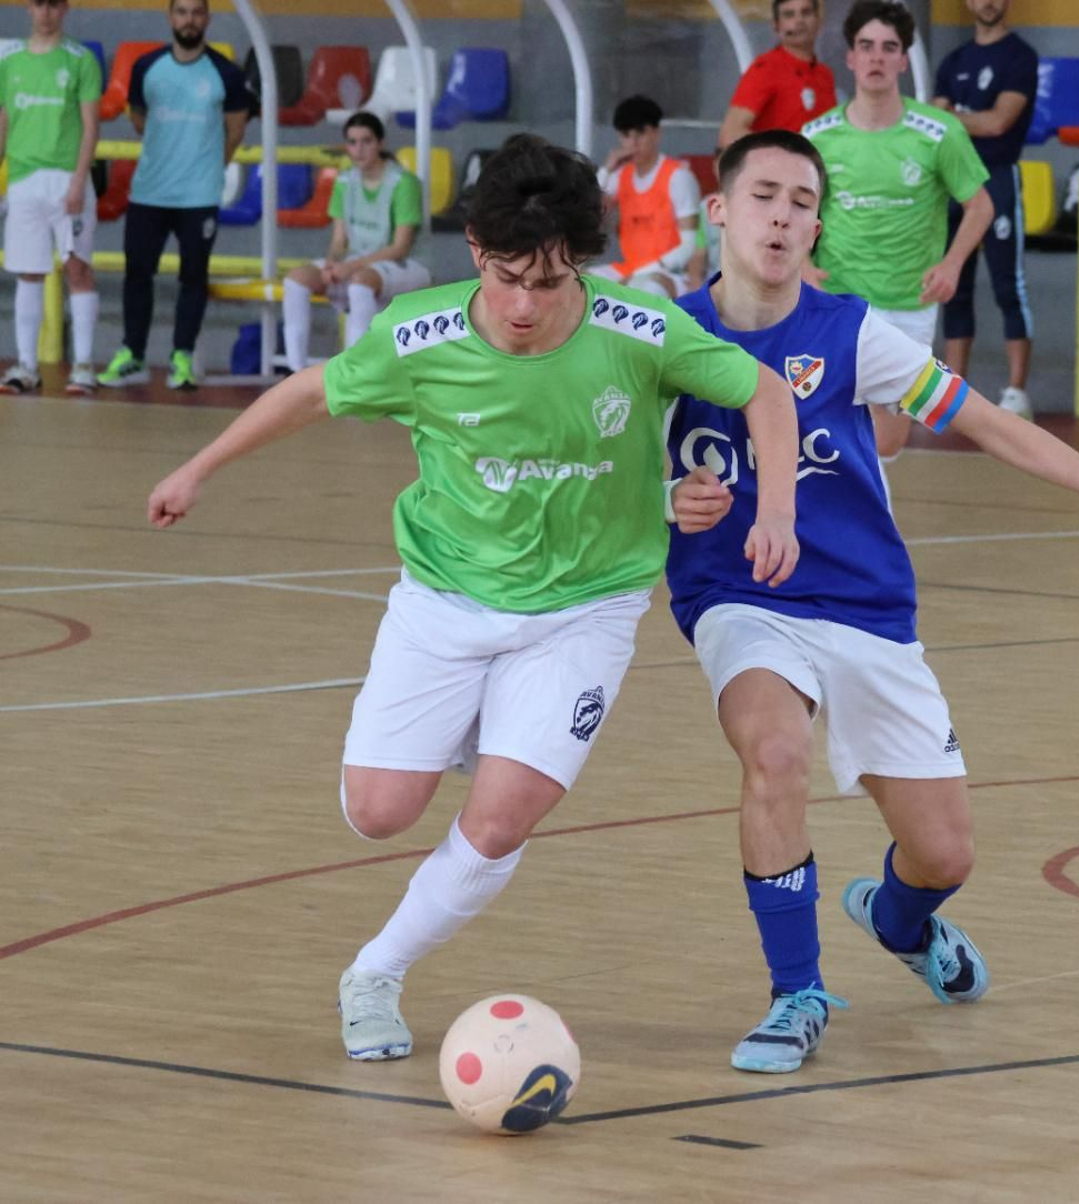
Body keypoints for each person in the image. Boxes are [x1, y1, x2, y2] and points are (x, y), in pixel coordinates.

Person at [146, 134, 801, 1062]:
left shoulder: (638, 326)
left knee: (499, 819)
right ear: (473, 249)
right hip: (447, 598)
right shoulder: (419, 335)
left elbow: (766, 391)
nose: (525, 304)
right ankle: (479, 730)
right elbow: (310, 393)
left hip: (587, 607)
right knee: (377, 811)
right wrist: (200, 467)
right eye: (506, 277)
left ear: (580, 262)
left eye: (550, 280)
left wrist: (775, 507)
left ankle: (375, 971)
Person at [665, 130, 1079, 1074]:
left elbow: (986, 425)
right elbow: (599, 468)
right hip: (740, 597)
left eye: (801, 202)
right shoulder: (665, 337)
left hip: (866, 608)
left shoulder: (852, 332)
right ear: (720, 212)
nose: (782, 216)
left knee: (944, 857)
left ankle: (899, 919)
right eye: (765, 196)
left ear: (818, 224)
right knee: (774, 748)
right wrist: (663, 499)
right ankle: (796, 994)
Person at [801, 0, 993, 458]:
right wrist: (802, 264)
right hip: (838, 300)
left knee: (887, 441)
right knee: (825, 424)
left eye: (889, 48)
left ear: (903, 60)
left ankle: (860, 515)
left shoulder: (938, 132)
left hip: (909, 301)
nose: (876, 57)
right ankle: (841, 525)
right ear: (850, 57)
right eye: (866, 46)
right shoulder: (817, 136)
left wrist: (951, 264)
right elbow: (793, 209)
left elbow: (980, 206)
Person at [97, 0, 254, 392]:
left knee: (193, 277)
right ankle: (132, 355)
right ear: (170, 18)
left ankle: (181, 357)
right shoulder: (147, 67)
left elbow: (236, 129)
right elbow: (138, 119)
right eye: (181, 12)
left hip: (198, 195)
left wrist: (207, 168)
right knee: (137, 274)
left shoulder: (226, 73)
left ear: (207, 19)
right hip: (149, 191)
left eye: (196, 12)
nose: (189, 20)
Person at [933, 0, 1038, 420]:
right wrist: (965, 119)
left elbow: (998, 122)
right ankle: (954, 389)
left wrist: (955, 115)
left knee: (1007, 284)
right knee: (952, 285)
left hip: (996, 177)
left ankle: (1016, 391)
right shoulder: (953, 60)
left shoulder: (1020, 56)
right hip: (953, 181)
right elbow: (934, 123)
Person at [0, 0, 102, 396]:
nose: (46, 12)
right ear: (29, 7)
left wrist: (79, 180)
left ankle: (82, 366)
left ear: (66, 9)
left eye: (54, 4)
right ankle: (26, 366)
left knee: (78, 267)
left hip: (66, 179)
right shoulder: (10, 61)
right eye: (39, 3)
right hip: (24, 179)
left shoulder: (80, 60)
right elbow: (5, 121)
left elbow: (91, 126)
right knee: (28, 271)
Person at [279, 112, 429, 372]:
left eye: (366, 141)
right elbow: (339, 240)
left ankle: (358, 371)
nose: (358, 150)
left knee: (360, 283)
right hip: (358, 262)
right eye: (352, 142)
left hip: (406, 264)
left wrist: (348, 268)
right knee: (296, 279)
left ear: (380, 143)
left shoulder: (403, 183)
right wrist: (331, 264)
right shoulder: (344, 181)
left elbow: (400, 247)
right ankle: (296, 370)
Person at [593, 95, 699, 299]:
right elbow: (585, 213)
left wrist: (640, 274)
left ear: (656, 133)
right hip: (629, 269)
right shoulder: (618, 177)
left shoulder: (678, 177)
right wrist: (606, 170)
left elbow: (689, 246)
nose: (633, 143)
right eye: (626, 134)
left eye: (640, 133)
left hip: (669, 274)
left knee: (646, 289)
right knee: (580, 282)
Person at [716, 0, 836, 150]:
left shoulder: (825, 74)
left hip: (819, 168)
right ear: (776, 25)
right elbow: (730, 134)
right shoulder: (766, 67)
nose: (799, 21)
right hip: (778, 170)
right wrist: (780, 155)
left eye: (806, 12)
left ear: (819, 21)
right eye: (789, 15)